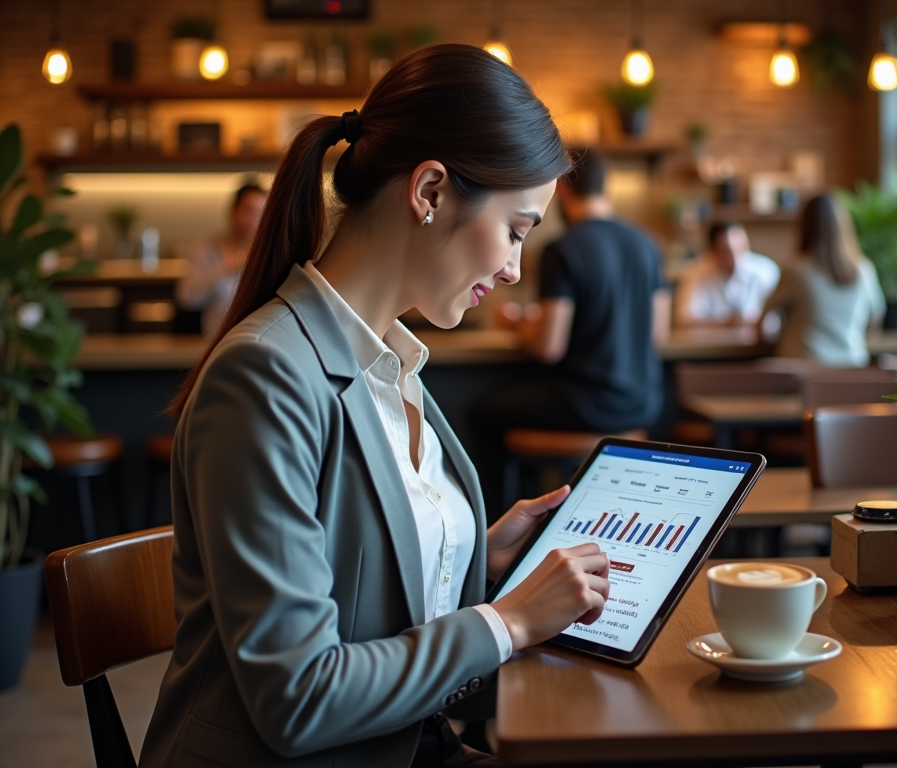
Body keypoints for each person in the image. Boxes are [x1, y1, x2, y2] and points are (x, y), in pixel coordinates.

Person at [141, 45, 611, 768]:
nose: (516, 267)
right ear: (428, 192)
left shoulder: (391, 362)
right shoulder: (265, 375)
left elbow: (351, 584)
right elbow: (298, 697)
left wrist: (476, 559)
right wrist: (508, 620)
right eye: (515, 230)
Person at [472, 148, 671, 517]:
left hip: (589, 404)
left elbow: (549, 346)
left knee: (481, 413)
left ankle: (496, 522)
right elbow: (658, 333)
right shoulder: (648, 246)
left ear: (562, 188)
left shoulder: (563, 249)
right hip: (643, 403)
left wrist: (518, 324)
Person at [760, 194, 886, 366]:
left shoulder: (795, 270)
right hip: (851, 364)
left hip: (802, 368)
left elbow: (764, 316)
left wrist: (770, 344)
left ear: (804, 226)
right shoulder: (864, 269)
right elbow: (874, 318)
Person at [175, 182, 267, 334]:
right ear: (233, 211)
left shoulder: (267, 256)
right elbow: (186, 297)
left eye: (261, 213)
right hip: (215, 342)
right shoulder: (206, 249)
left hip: (255, 341)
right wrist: (225, 268)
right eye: (249, 211)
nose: (254, 220)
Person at [675, 221, 779, 327]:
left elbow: (777, 318)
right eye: (726, 251)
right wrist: (723, 323)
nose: (735, 258)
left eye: (740, 248)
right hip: (712, 342)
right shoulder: (695, 272)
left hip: (758, 342)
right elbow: (684, 318)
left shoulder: (766, 270)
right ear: (712, 253)